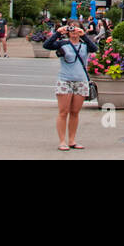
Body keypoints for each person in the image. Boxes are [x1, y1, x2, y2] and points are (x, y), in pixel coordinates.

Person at [43, 22, 97, 151]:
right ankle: (62, 141)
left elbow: (94, 48)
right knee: (63, 112)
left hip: (80, 81)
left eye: (76, 28)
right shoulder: (63, 44)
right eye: (71, 28)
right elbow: (47, 45)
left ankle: (72, 140)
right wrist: (58, 32)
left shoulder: (84, 45)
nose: (73, 31)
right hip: (65, 80)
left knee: (75, 112)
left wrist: (84, 36)